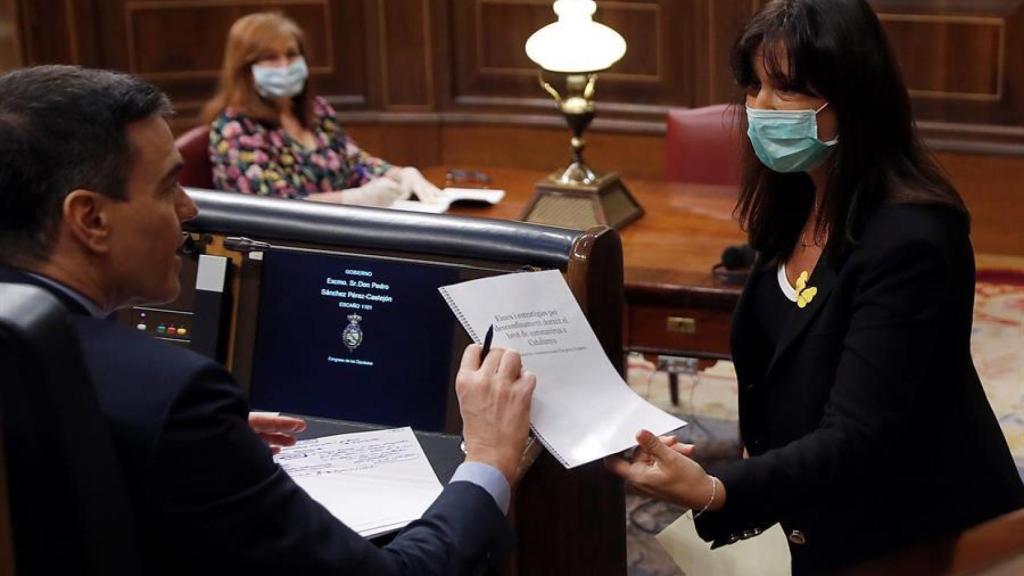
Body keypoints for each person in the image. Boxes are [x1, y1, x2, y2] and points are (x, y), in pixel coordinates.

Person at [0, 64, 536, 574]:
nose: (189, 210)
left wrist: (205, 448)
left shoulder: (131, 401)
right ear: (90, 219)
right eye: (167, 187)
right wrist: (489, 460)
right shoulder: (170, 396)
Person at [607, 0, 1024, 573]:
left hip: (913, 530)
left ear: (852, 97)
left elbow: (858, 436)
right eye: (753, 86)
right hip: (816, 510)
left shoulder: (913, 241)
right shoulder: (797, 199)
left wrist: (717, 490)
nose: (760, 108)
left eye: (786, 90)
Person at [201, 12, 442, 207]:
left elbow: (354, 163)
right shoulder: (234, 129)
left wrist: (398, 174)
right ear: (244, 69)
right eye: (271, 58)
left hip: (342, 232)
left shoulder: (317, 110)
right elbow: (272, 207)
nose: (285, 66)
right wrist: (352, 200)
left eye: (291, 54)